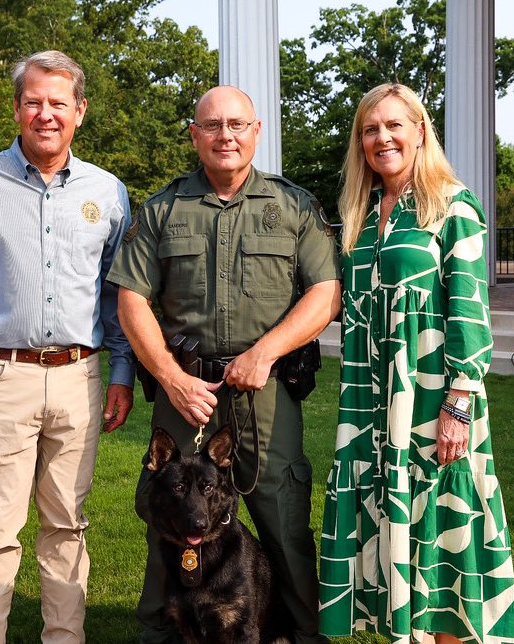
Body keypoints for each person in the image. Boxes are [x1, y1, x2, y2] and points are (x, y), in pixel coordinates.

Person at [0, 50, 135, 643]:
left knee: (67, 526)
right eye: (33, 102)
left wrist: (121, 372)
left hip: (80, 378)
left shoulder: (108, 193)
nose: (45, 114)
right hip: (0, 377)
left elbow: (117, 297)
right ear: (16, 109)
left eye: (58, 103)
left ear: (79, 112)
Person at [107, 85, 340, 644]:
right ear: (195, 135)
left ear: (257, 131)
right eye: (212, 125)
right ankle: (164, 633)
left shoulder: (293, 207)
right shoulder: (164, 208)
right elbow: (130, 298)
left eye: (237, 124)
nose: (225, 135)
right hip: (184, 388)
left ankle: (302, 634)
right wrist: (170, 377)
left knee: (283, 519)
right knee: (168, 514)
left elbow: (327, 291)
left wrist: (266, 352)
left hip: (264, 390)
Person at [318, 83, 514, 644]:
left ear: (420, 131)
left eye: (393, 125)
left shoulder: (453, 205)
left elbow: (470, 309)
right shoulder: (360, 214)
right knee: (388, 520)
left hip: (433, 397)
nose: (381, 137)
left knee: (441, 531)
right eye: (369, 129)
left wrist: (460, 398)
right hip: (369, 398)